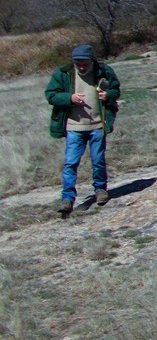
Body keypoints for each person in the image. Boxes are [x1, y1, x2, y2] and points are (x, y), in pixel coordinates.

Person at [44, 44, 120, 217]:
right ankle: (67, 199)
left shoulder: (104, 71)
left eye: (85, 64)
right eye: (78, 64)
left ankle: (100, 190)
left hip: (97, 125)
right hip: (74, 127)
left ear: (92, 60)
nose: (82, 67)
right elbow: (51, 95)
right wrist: (69, 98)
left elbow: (116, 90)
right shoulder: (62, 73)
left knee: (98, 160)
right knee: (70, 163)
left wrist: (108, 95)